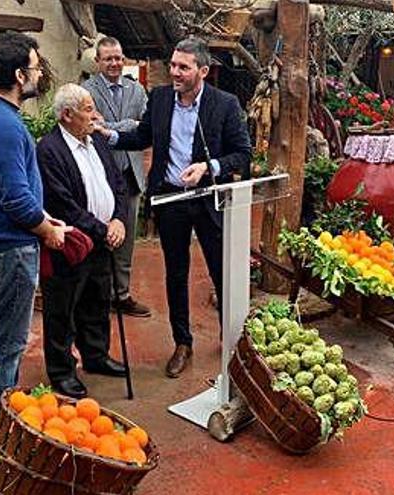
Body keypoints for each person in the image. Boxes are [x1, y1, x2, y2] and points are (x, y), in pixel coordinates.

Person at [98, 37, 251, 378]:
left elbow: (242, 153)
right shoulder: (161, 98)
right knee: (176, 273)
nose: (175, 72)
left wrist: (208, 168)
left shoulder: (224, 104)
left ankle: (233, 342)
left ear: (203, 71)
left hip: (209, 199)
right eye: (172, 65)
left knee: (220, 270)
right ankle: (182, 343)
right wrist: (106, 134)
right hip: (170, 200)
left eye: (183, 67)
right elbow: (143, 137)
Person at [0, 32, 71, 407]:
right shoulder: (6, 125)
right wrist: (47, 231)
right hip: (9, 248)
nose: (40, 75)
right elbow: (15, 199)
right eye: (35, 68)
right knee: (8, 340)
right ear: (18, 75)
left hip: (0, 242)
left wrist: (47, 219)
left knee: (3, 334)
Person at [36, 84, 129, 398]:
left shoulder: (97, 142)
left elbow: (117, 183)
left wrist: (118, 219)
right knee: (63, 306)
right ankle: (62, 370)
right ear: (67, 115)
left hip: (103, 240)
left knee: (97, 300)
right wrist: (102, 229)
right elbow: (62, 204)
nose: (95, 115)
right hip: (72, 243)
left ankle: (96, 356)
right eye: (88, 109)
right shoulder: (49, 150)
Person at [82, 36, 151, 318]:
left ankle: (121, 295)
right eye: (108, 58)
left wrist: (108, 126)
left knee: (126, 239)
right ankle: (97, 296)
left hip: (130, 176)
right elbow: (89, 125)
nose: (115, 63)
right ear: (97, 62)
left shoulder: (137, 91)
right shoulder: (86, 90)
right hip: (99, 174)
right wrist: (127, 126)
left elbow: (145, 127)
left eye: (119, 57)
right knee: (99, 235)